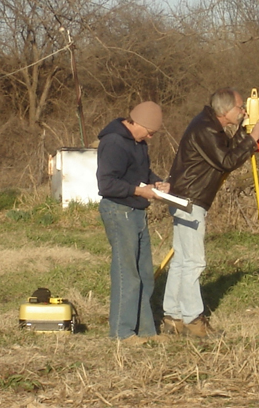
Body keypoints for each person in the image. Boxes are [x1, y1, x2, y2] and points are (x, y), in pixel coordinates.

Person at [162, 88, 259, 338]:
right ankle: (193, 321)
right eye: (240, 108)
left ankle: (173, 316)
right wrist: (253, 139)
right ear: (224, 110)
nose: (243, 111)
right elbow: (227, 161)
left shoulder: (209, 125)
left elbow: (225, 150)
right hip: (190, 200)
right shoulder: (206, 129)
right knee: (193, 262)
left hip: (185, 197)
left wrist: (244, 134)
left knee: (181, 260)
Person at [96, 101, 170, 345]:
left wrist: (158, 183)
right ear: (136, 123)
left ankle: (146, 330)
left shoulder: (139, 144)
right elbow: (106, 185)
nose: (150, 137)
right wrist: (140, 192)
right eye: (149, 132)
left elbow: (143, 174)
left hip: (137, 212)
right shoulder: (113, 142)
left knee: (145, 274)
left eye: (153, 134)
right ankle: (122, 332)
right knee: (127, 273)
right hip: (119, 212)